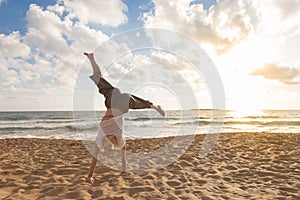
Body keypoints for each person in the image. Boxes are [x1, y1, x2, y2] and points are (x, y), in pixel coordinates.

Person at [84, 52, 165, 184]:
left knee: (139, 103)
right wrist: (89, 175)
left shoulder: (118, 138)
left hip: (120, 102)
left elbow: (122, 151)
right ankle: (92, 58)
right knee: (99, 79)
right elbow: (95, 158)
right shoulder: (101, 137)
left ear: (113, 143)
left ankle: (155, 106)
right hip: (113, 98)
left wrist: (91, 176)